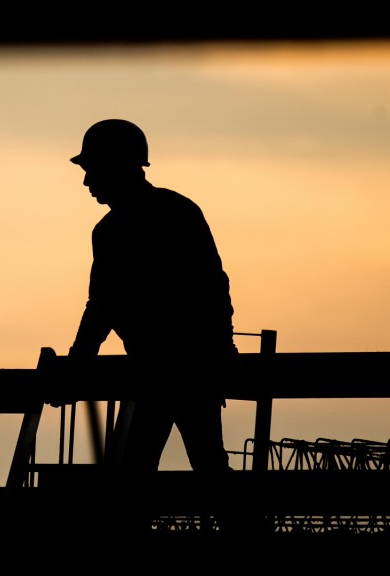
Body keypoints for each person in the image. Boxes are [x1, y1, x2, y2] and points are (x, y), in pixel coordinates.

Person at [67, 119, 238, 479]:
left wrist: (77, 363)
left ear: (117, 166)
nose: (86, 182)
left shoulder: (142, 222)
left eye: (92, 170)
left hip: (178, 369)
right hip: (179, 368)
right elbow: (103, 305)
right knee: (199, 465)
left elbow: (102, 306)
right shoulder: (155, 217)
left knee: (143, 469)